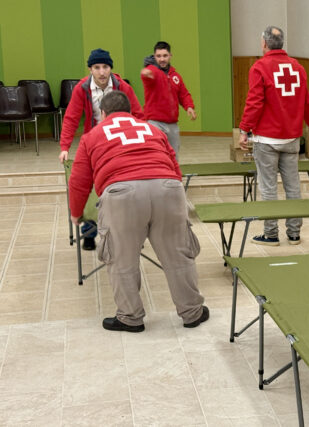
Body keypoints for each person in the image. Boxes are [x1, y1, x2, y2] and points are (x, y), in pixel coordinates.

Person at [68, 91, 208, 333]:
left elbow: (79, 181)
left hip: (122, 194)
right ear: (131, 112)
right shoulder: (153, 130)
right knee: (178, 255)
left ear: (103, 114)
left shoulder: (92, 136)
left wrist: (76, 213)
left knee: (122, 258)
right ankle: (192, 312)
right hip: (168, 189)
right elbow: (174, 166)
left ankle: (130, 317)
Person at [237, 26, 309, 246]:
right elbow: (306, 100)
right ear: (281, 43)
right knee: (293, 187)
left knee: (268, 188)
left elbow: (254, 103)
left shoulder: (259, 67)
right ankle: (294, 234)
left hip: (267, 140)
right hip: (291, 138)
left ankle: (271, 234)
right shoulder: (298, 67)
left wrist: (244, 130)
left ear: (264, 43)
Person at [59, 48, 144, 250]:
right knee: (92, 188)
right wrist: (64, 147)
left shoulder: (122, 87)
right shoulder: (82, 88)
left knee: (126, 185)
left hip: (119, 141)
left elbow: (138, 115)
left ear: (110, 68)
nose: (102, 72)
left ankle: (130, 233)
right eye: (97, 67)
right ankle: (89, 233)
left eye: (105, 67)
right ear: (90, 69)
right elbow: (71, 118)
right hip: (95, 142)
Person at [140, 41, 196, 158]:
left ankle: (173, 170)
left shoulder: (176, 76)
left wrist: (189, 107)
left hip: (172, 124)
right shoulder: (152, 71)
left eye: (165, 56)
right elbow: (147, 77)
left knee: (174, 155)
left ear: (170, 56)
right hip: (154, 122)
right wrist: (146, 74)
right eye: (158, 56)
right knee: (156, 154)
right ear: (154, 56)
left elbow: (184, 94)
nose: (162, 59)